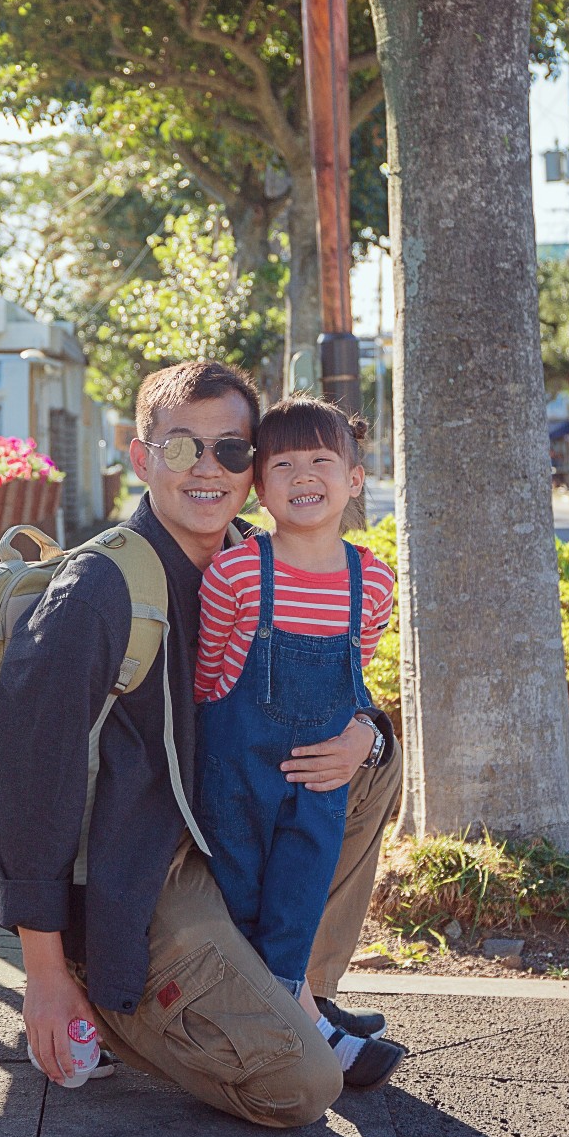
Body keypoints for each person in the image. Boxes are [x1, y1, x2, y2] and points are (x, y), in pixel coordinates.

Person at [0, 361, 404, 1128]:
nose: (207, 470)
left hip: (226, 823)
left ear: (255, 471)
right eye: (181, 449)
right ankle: (110, 1004)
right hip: (138, 879)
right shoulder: (98, 590)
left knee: (375, 763)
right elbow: (29, 785)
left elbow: (339, 688)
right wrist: (43, 972)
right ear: (141, 459)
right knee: (301, 1088)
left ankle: (297, 985)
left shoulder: (262, 560)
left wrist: (366, 736)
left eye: (232, 451)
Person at [191, 396, 402, 1084]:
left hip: (318, 787)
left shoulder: (372, 581)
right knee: (243, 905)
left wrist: (360, 735)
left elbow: (357, 670)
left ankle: (299, 1019)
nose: (303, 474)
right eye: (283, 462)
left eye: (321, 459)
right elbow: (206, 680)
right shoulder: (237, 572)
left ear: (355, 478)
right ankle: (301, 1031)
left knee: (298, 901)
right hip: (237, 781)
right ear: (259, 485)